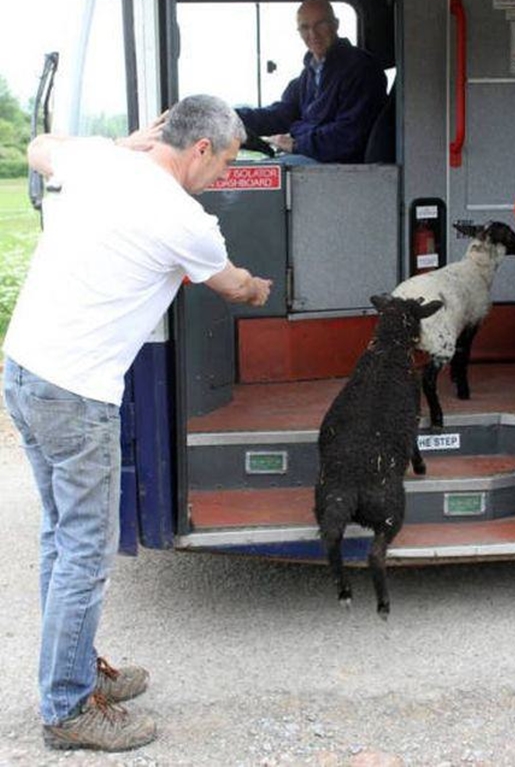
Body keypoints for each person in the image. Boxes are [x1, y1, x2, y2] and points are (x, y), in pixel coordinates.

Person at [2, 95, 272, 752]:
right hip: (76, 394)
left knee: (62, 537)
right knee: (85, 550)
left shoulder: (100, 161)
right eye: (224, 163)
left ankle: (72, 667)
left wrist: (115, 146)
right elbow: (232, 285)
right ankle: (68, 708)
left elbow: (39, 148)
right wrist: (259, 287)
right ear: (200, 148)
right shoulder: (186, 220)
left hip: (24, 370)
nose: (222, 177)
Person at [236, 0, 388, 164]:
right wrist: (233, 117)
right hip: (315, 156)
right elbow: (281, 115)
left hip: (343, 166)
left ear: (335, 25)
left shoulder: (360, 68)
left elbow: (349, 135)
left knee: (261, 175)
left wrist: (296, 143)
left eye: (320, 24)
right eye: (305, 27)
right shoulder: (309, 74)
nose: (313, 34)